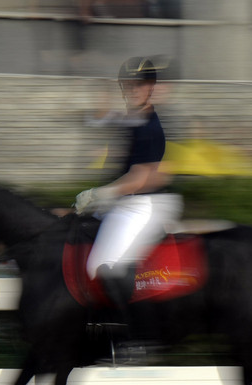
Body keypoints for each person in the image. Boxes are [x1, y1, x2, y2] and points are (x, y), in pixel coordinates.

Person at [75, 56, 182, 340]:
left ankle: (133, 339)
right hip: (121, 202)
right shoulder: (129, 123)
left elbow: (139, 179)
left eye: (140, 85)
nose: (133, 89)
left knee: (101, 266)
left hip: (142, 205)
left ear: (150, 88)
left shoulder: (150, 127)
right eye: (129, 85)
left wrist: (100, 194)